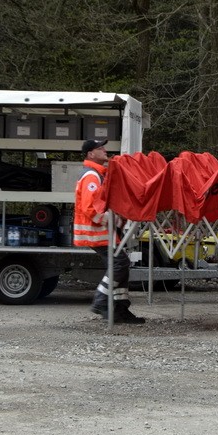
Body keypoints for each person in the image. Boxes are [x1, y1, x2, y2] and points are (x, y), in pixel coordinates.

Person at [74, 138, 145, 324]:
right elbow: (90, 208)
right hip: (98, 233)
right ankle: (101, 301)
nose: (105, 150)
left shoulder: (98, 174)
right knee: (119, 264)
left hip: (104, 233)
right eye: (101, 148)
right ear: (91, 154)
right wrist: (113, 221)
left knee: (121, 264)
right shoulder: (92, 176)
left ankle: (120, 309)